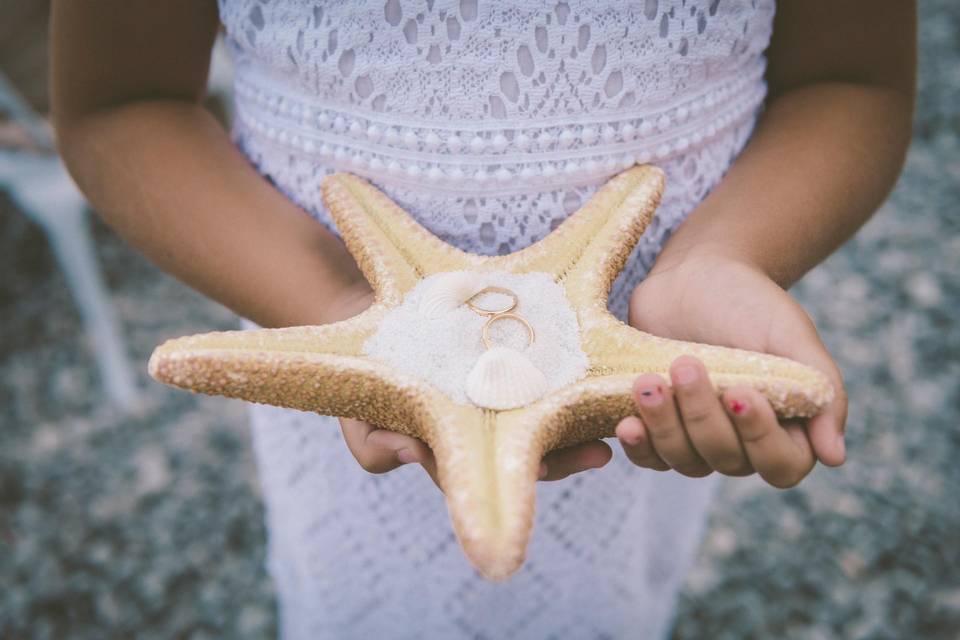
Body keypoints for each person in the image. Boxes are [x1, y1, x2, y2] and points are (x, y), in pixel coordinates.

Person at [50, 1, 916, 637]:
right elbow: (120, 102)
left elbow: (850, 77)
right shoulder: (352, 330)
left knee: (612, 599)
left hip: (641, 373)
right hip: (329, 329)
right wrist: (346, 321)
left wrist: (717, 262)